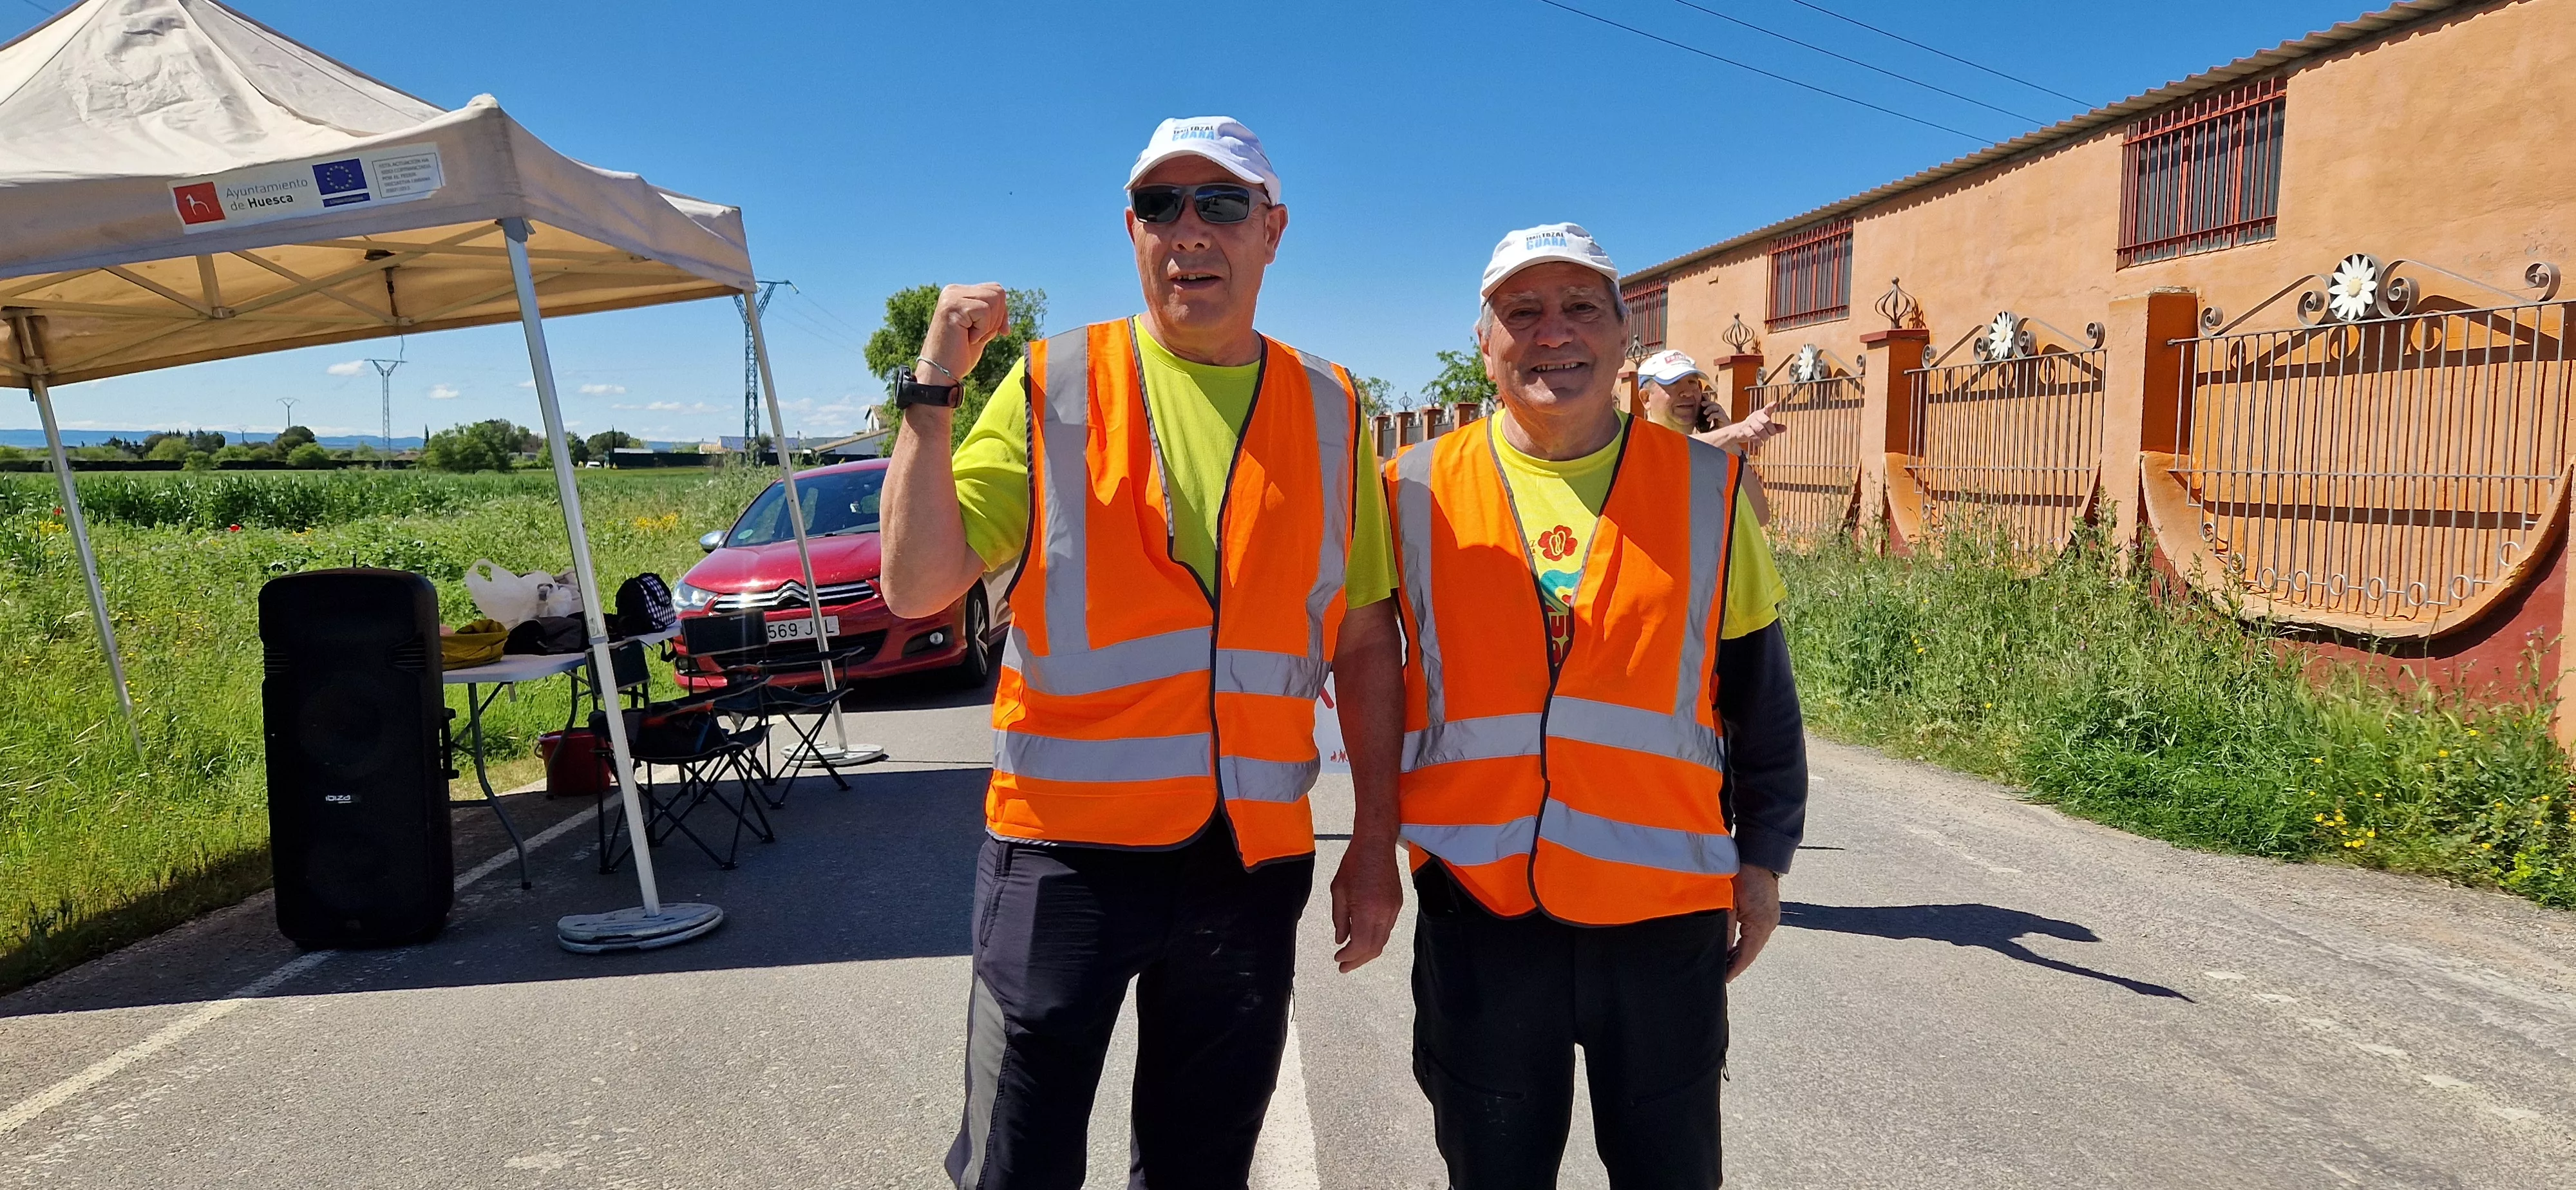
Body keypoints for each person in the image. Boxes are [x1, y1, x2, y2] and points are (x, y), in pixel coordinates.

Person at [878, 117, 1405, 1189]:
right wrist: (934, 391)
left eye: (1221, 203)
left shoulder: (1334, 406)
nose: (1189, 230)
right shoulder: (1052, 384)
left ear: (1272, 230)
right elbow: (916, 582)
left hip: (1248, 858)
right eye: (1162, 206)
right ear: (1132, 231)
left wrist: (1375, 842)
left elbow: (1362, 637)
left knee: (1201, 1164)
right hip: (1060, 854)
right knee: (1016, 1165)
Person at [1384, 223, 1808, 1189]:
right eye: (1521, 312)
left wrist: (1766, 861)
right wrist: (1371, 850)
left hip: (1663, 921)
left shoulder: (1708, 488)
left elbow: (1760, 698)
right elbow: (1362, 685)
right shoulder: (1410, 490)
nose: (1552, 334)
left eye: (1581, 309)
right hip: (1481, 915)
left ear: (1624, 339)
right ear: (1484, 342)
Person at [1638, 348, 1778, 525]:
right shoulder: (1635, 441)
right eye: (1674, 383)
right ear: (1645, 399)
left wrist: (1731, 447)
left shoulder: (1710, 453)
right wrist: (1734, 432)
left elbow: (1760, 516)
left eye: (1692, 383)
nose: (1687, 392)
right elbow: (1671, 450)